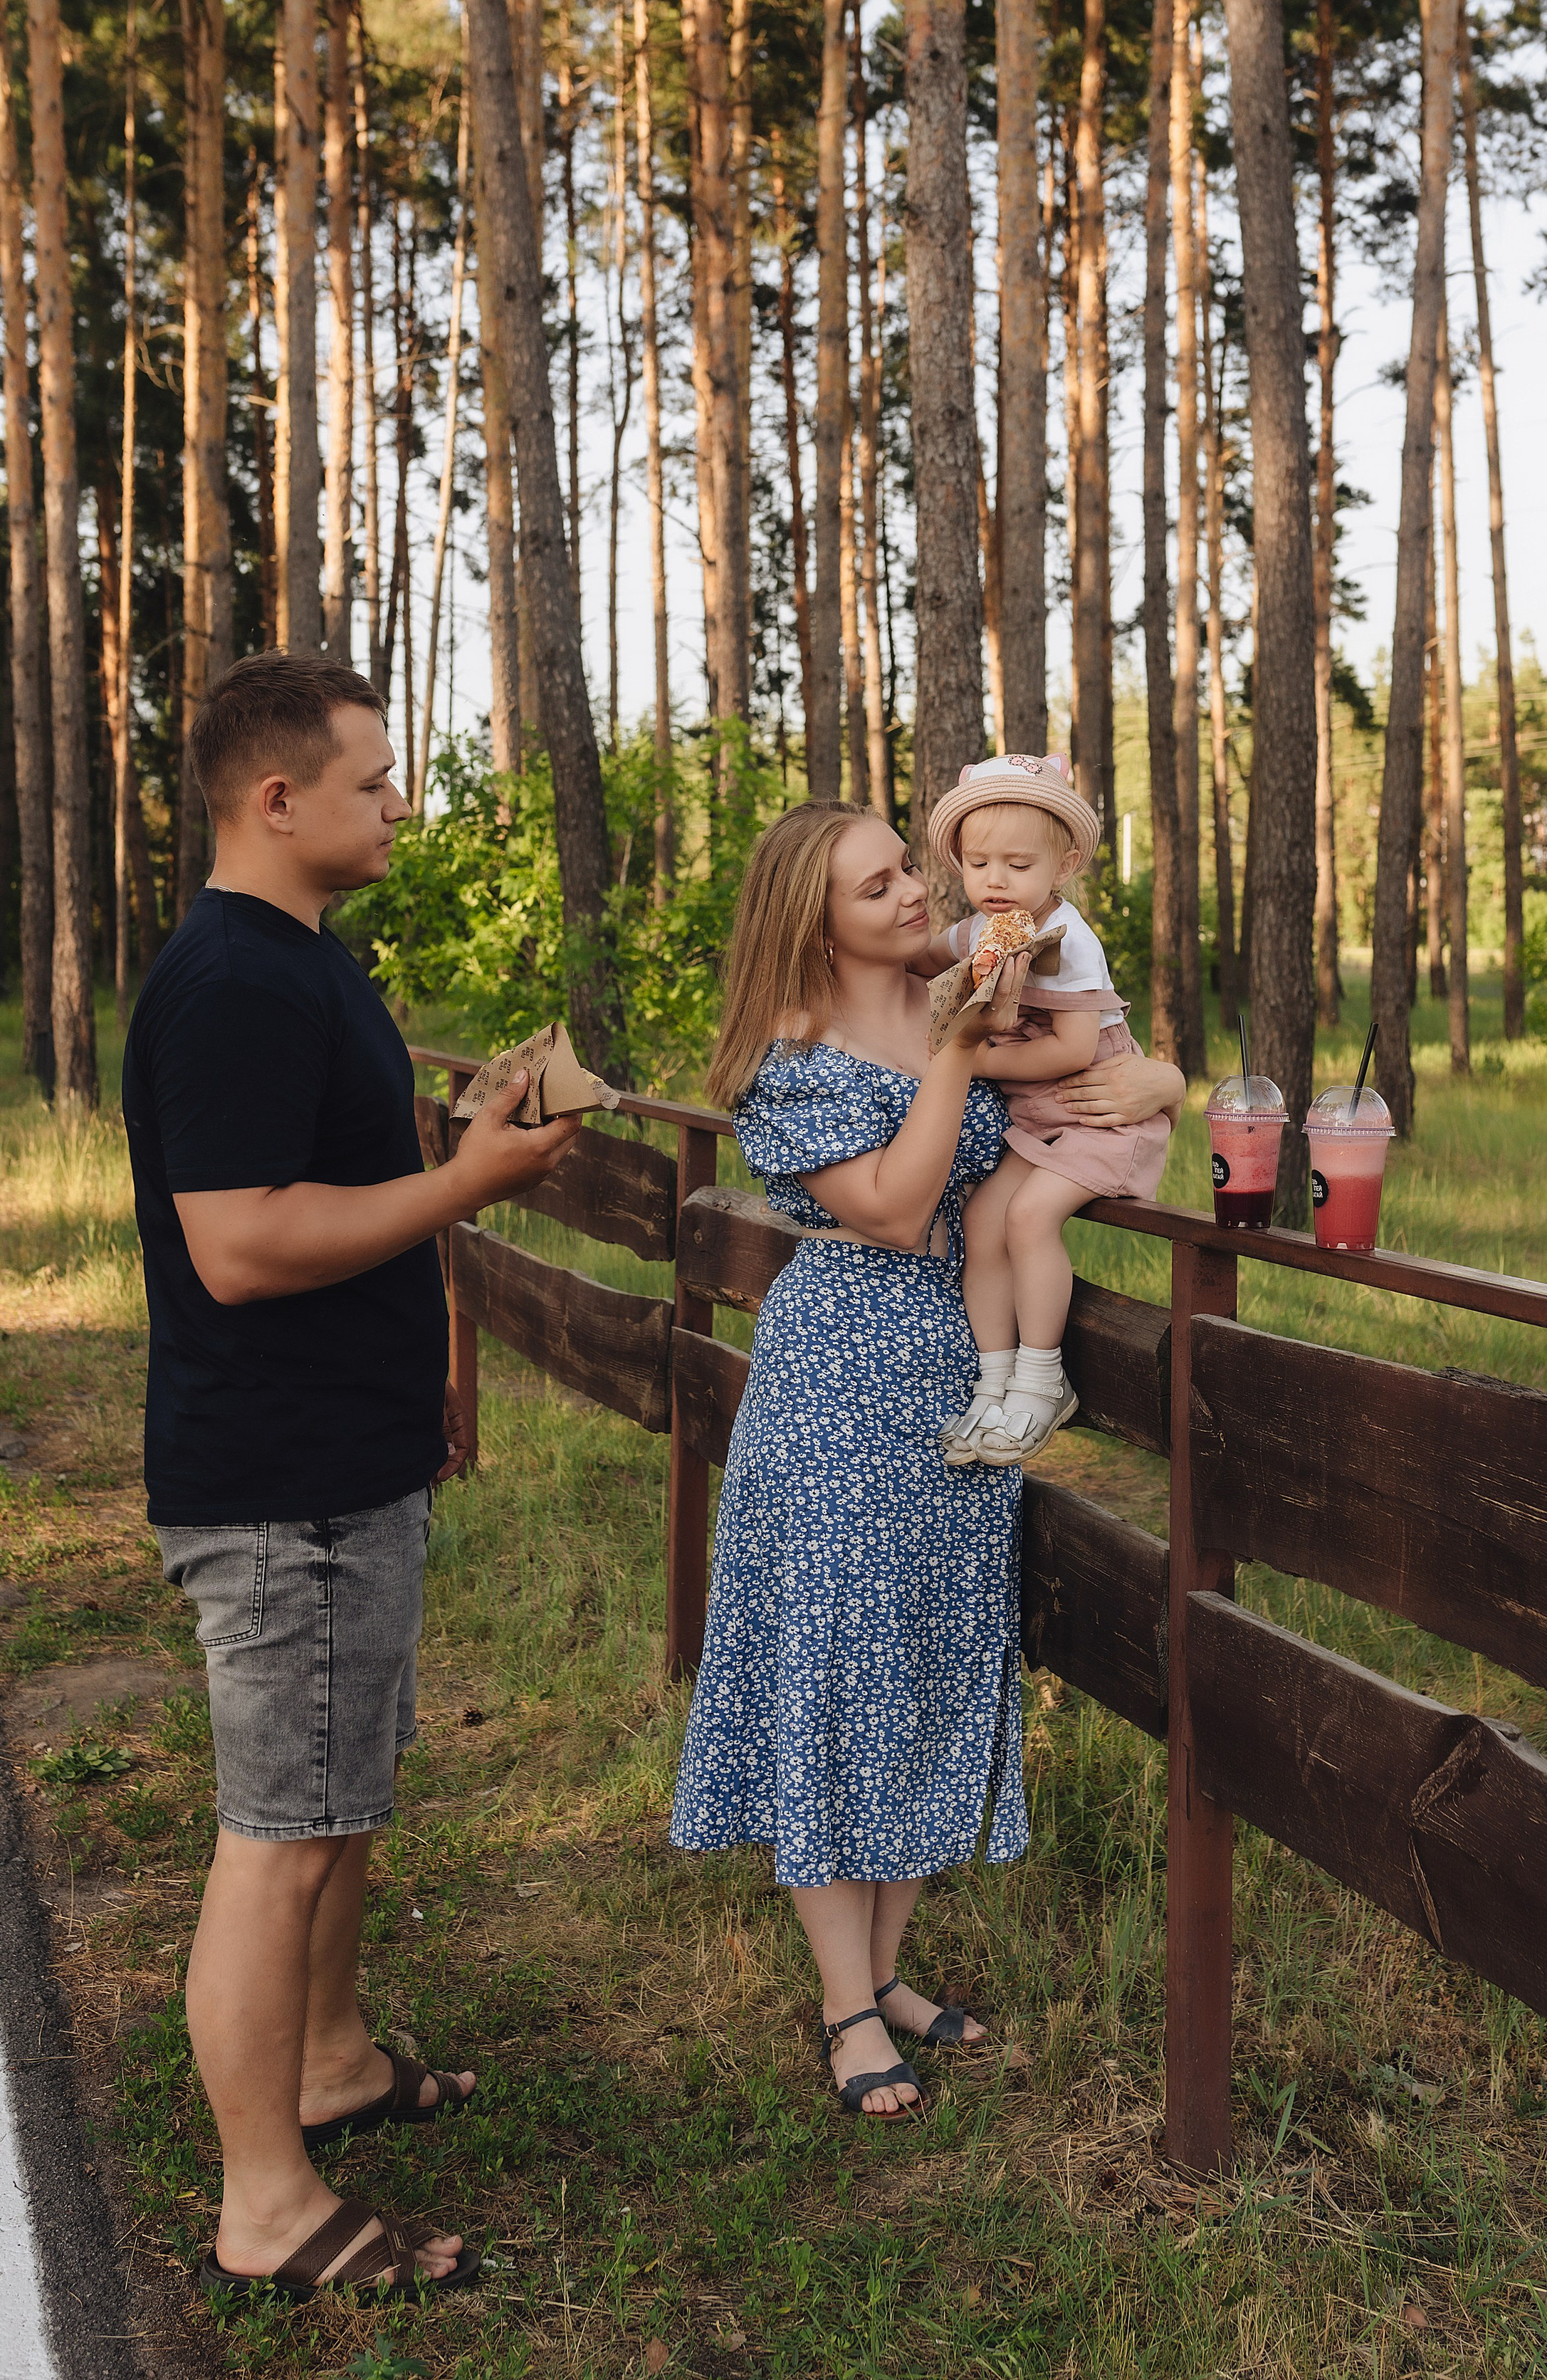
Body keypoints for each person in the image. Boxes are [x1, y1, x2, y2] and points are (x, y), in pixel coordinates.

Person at [122, 651, 582, 2302]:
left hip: (343, 1462)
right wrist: (468, 1181)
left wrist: (453, 1130)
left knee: (339, 1804)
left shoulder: (308, 960)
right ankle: (265, 2202)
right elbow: (241, 1245)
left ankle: (326, 2063)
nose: (400, 801)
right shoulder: (237, 980)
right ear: (278, 798)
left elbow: (323, 1174)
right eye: (376, 779)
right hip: (279, 1481)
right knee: (283, 1833)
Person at [668, 802, 1183, 2119]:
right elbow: (897, 1211)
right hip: (841, 1377)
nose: (915, 891)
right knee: (840, 1670)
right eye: (877, 884)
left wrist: (1165, 1081)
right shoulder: (788, 1059)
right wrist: (956, 1045)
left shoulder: (969, 978)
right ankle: (847, 2006)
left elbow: (1103, 1058)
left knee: (929, 1656)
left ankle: (889, 1971)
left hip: (964, 1371)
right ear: (813, 920)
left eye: (908, 864)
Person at [916, 753, 1175, 1469]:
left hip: (1098, 1115)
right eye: (978, 863)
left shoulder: (1070, 944)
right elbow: (920, 957)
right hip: (1033, 1124)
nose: (994, 881)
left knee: (1029, 1218)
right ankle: (993, 1382)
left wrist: (968, 1056)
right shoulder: (982, 928)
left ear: (1062, 866)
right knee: (981, 1219)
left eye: (1017, 865)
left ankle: (1040, 1379)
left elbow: (1069, 1050)